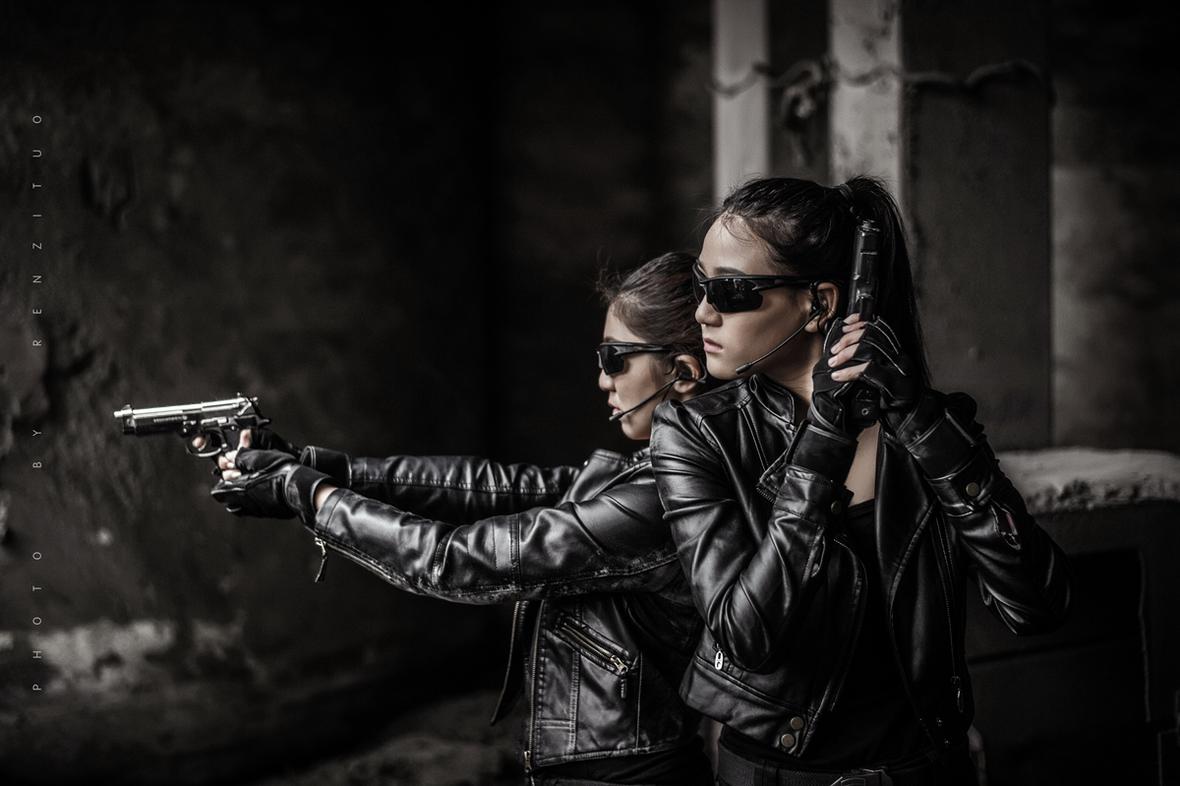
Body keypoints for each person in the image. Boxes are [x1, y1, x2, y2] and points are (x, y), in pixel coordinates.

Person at [202, 252, 715, 786]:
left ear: (682, 373)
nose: (603, 380)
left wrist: (307, 494)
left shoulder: (659, 499)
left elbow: (453, 561)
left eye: (615, 359)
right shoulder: (656, 474)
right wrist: (320, 467)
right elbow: (496, 488)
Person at [648, 177, 1071, 786]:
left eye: (730, 291)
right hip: (776, 777)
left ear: (818, 304)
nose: (702, 312)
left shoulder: (929, 426)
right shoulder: (697, 432)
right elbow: (746, 635)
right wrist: (823, 441)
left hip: (926, 771)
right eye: (700, 283)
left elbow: (1039, 604)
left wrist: (921, 421)